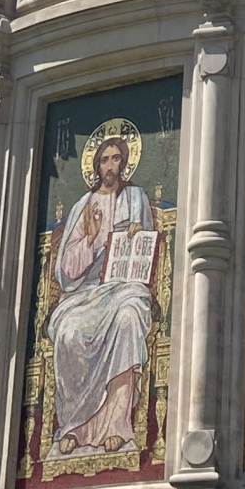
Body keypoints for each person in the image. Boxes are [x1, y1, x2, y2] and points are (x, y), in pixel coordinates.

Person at [45, 133, 157, 457]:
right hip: (86, 292)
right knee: (68, 333)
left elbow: (147, 249)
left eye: (116, 159)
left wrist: (137, 234)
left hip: (124, 286)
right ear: (97, 166)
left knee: (128, 319)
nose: (110, 166)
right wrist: (91, 240)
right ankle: (74, 427)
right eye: (104, 160)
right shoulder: (84, 206)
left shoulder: (135, 198)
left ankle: (116, 426)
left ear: (124, 163)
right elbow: (66, 270)